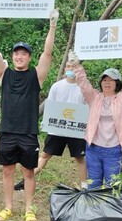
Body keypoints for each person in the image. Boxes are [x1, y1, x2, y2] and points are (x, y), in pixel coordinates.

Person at [0, 8, 59, 221]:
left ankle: (29, 209)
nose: (19, 56)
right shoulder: (4, 74)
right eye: (16, 53)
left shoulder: (36, 76)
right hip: (8, 131)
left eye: (23, 54)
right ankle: (8, 207)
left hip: (28, 132)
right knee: (7, 171)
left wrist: (52, 25)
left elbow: (48, 54)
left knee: (28, 172)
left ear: (28, 57)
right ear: (13, 57)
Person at [74, 45, 122, 189]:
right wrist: (76, 65)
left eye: (111, 80)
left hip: (114, 150)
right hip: (93, 148)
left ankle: (110, 211)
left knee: (113, 185)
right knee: (94, 183)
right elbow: (83, 84)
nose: (107, 82)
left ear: (117, 83)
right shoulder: (94, 98)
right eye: (104, 80)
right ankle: (93, 210)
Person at [14, 57, 88, 191]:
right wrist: (47, 123)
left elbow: (87, 108)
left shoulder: (84, 88)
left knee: (80, 157)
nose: (71, 69)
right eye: (68, 66)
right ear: (65, 68)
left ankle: (84, 186)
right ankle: (25, 181)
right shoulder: (57, 86)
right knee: (45, 155)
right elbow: (50, 106)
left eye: (73, 67)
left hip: (76, 130)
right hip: (57, 128)